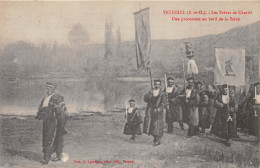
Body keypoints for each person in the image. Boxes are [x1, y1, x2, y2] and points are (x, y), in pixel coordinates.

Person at [36, 82, 67, 164]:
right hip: (46, 121)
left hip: (55, 121)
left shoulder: (58, 97)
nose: (47, 90)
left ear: (53, 89)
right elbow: (41, 109)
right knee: (47, 137)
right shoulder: (45, 98)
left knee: (51, 138)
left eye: (49, 88)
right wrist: (40, 114)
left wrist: (61, 121)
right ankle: (57, 155)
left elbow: (63, 109)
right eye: (46, 88)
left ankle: (46, 159)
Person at [143, 79, 165, 146]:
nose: (157, 85)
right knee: (151, 124)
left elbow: (163, 103)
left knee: (157, 125)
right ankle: (155, 139)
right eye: (155, 84)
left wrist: (158, 109)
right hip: (151, 110)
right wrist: (149, 94)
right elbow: (145, 99)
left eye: (158, 84)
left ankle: (157, 140)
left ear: (160, 85)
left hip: (158, 111)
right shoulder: (151, 91)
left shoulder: (163, 93)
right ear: (154, 84)